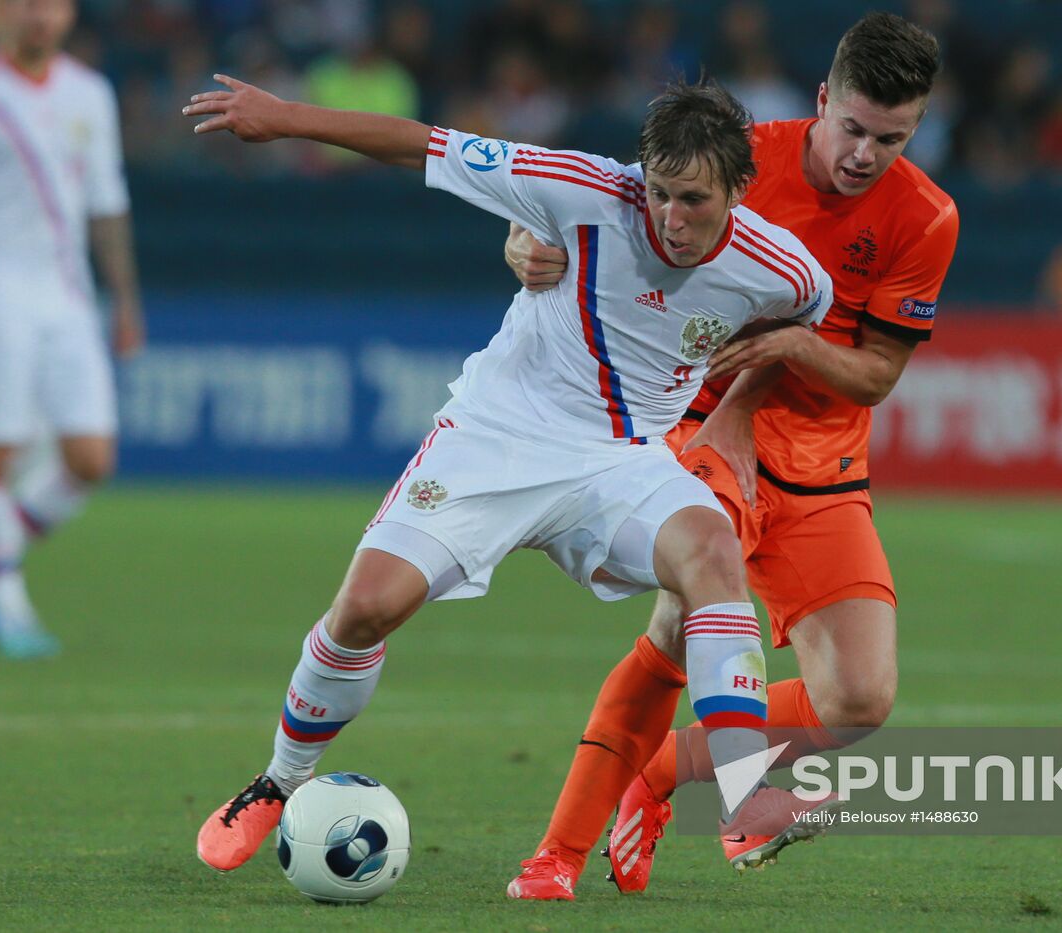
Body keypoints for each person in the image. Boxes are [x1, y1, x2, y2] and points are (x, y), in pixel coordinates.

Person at [181, 75, 835, 899]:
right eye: (660, 193)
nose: (671, 217)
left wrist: (738, 408)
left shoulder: (783, 269)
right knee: (365, 608)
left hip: (619, 459)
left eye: (694, 200)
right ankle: (278, 781)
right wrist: (286, 120)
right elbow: (423, 143)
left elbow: (805, 324)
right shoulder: (579, 187)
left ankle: (747, 792)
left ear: (738, 189)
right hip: (496, 438)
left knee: (711, 549)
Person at [504, 10, 959, 895]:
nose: (865, 154)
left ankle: (664, 769)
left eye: (892, 139)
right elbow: (595, 204)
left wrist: (791, 345)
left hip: (824, 463)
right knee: (681, 627)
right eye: (854, 129)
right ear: (823, 100)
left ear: (919, 127)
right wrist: (527, 240)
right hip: (701, 423)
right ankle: (553, 857)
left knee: (860, 697)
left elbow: (873, 375)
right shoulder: (740, 160)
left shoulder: (926, 217)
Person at [0, 0, 145, 660]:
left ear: (68, 13)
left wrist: (125, 298)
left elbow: (107, 202)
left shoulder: (90, 93)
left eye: (49, 4)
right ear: (5, 10)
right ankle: (6, 601)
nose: (37, 16)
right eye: (25, 3)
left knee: (90, 459)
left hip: (68, 299)